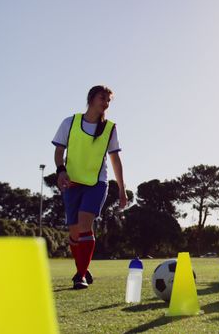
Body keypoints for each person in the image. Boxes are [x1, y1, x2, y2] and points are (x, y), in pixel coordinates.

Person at [52, 85, 128, 289]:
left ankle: (80, 276)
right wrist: (61, 171)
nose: (106, 103)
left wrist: (121, 189)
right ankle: (83, 268)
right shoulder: (70, 122)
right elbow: (59, 151)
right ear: (91, 99)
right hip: (72, 183)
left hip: (96, 183)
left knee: (86, 225)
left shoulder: (110, 128)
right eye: (102, 98)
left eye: (108, 100)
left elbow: (115, 160)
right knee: (75, 233)